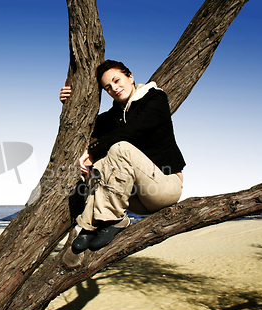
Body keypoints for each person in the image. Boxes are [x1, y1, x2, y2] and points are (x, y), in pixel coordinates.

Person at [59, 59, 185, 251]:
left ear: (130, 77)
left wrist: (92, 153)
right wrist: (70, 100)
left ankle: (115, 221)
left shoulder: (155, 98)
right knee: (102, 162)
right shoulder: (114, 116)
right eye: (108, 87)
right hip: (136, 199)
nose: (114, 88)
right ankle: (89, 226)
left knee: (119, 148)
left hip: (165, 188)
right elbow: (85, 125)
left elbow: (133, 130)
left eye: (117, 80)